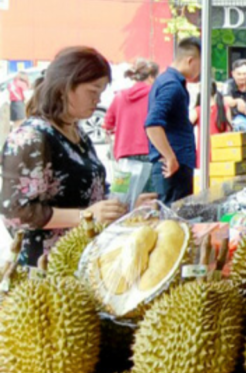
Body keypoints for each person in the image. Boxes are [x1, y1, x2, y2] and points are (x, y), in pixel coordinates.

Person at [0, 48, 145, 266]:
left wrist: (126, 204)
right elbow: (16, 211)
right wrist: (84, 216)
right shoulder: (31, 138)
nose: (97, 99)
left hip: (84, 257)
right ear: (64, 88)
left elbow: (87, 192)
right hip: (46, 267)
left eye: (101, 92)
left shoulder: (78, 133)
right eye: (93, 91)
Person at [146, 37, 201, 204]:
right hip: (173, 167)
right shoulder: (172, 85)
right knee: (173, 220)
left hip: (175, 164)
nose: (200, 71)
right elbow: (153, 123)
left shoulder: (168, 81)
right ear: (191, 60)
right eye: (200, 65)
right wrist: (170, 157)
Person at [105, 59, 159, 163]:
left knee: (127, 180)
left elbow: (108, 124)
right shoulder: (155, 95)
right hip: (150, 150)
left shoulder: (119, 96)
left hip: (124, 152)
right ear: (151, 77)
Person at [225, 59, 246, 131]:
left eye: (244, 74)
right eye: (239, 74)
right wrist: (237, 101)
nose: (242, 77)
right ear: (233, 74)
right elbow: (226, 100)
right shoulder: (228, 84)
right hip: (235, 119)